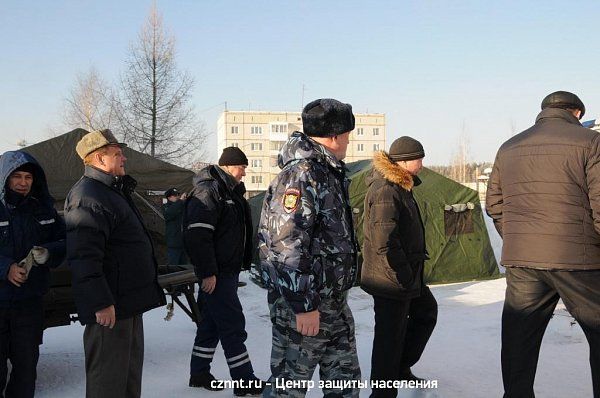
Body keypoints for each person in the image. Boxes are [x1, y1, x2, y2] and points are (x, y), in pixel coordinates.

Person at [486, 91, 600, 398]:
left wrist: (517, 238)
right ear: (576, 113)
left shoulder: (509, 147)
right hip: (580, 260)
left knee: (519, 340)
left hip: (523, 261)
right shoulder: (590, 142)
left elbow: (494, 204)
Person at [258, 98, 361, 397]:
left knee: (345, 384)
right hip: (304, 306)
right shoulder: (302, 174)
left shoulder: (328, 172)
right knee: (288, 388)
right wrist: (304, 305)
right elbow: (284, 243)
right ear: (335, 136)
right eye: (347, 135)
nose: (348, 142)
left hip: (332, 303)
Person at [65, 129, 166, 398]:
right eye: (117, 154)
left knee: (127, 382)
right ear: (99, 158)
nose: (124, 158)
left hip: (126, 304)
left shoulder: (111, 191)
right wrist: (100, 301)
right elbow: (84, 255)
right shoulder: (88, 196)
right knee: (107, 385)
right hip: (110, 309)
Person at [360, 137, 438, 397]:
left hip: (405, 275)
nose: (422, 163)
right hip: (389, 277)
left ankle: (400, 367)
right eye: (419, 158)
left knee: (426, 312)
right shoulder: (386, 189)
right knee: (388, 338)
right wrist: (402, 274)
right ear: (404, 162)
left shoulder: (401, 186)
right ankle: (382, 392)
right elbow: (384, 242)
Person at [183, 146, 260, 396]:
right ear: (228, 166)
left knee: (210, 325)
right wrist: (208, 272)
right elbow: (198, 234)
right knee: (231, 324)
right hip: (218, 273)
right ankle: (244, 381)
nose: (244, 173)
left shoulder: (229, 190)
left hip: (226, 270)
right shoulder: (209, 190)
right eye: (242, 167)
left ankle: (199, 373)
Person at [0, 151, 66, 397]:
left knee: (26, 368)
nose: (23, 182)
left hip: (30, 303)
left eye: (28, 177)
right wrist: (6, 268)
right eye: (16, 176)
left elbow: (65, 240)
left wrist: (48, 252)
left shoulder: (43, 209)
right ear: (4, 178)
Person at [162, 187, 187, 265]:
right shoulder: (166, 206)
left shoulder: (181, 205)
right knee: (174, 266)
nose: (177, 197)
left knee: (184, 267)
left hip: (184, 243)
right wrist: (180, 201)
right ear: (169, 197)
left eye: (178, 195)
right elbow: (168, 214)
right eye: (175, 196)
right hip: (174, 243)